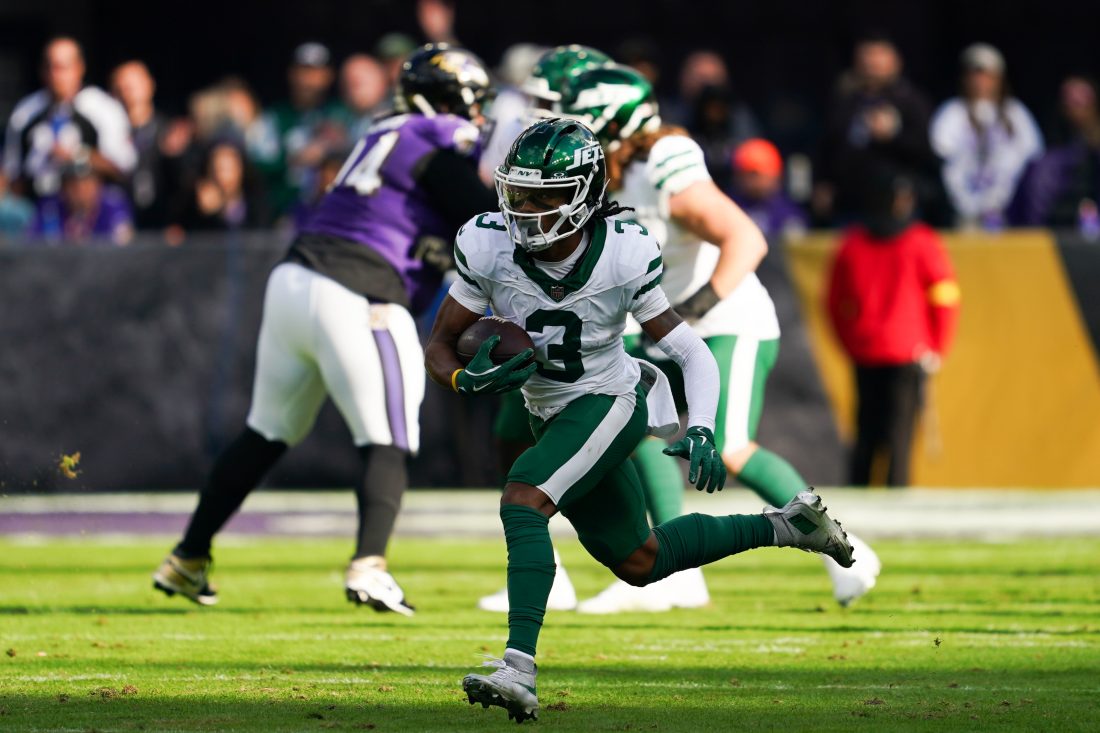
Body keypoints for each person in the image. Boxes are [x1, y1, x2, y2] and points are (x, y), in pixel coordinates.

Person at [424, 118, 855, 722]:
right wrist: (461, 379)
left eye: (545, 197)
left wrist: (701, 424)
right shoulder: (488, 243)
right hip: (550, 411)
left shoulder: (622, 251)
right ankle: (787, 526)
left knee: (524, 498)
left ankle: (517, 667)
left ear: (582, 195)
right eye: (518, 194)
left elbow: (689, 348)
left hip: (609, 400)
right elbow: (441, 343)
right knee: (641, 562)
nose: (526, 211)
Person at [151, 44, 496, 614]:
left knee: (266, 432)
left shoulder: (380, 134)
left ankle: (188, 557)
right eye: (473, 103)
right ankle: (370, 566)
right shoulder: (434, 139)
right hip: (357, 289)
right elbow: (476, 212)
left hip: (294, 278)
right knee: (390, 433)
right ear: (450, 100)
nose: (478, 116)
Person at [561, 65, 881, 609]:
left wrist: (693, 308)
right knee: (641, 432)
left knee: (730, 447)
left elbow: (745, 237)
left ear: (611, 119)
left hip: (726, 320)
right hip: (669, 327)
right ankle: (677, 570)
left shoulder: (663, 161)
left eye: (583, 117)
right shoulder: (612, 171)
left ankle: (845, 549)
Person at [827, 167, 961, 487]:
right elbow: (945, 297)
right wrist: (937, 347)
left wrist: (851, 343)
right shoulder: (921, 242)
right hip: (909, 353)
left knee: (865, 436)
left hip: (866, 351)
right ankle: (895, 506)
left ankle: (855, 506)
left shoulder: (852, 244)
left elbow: (833, 303)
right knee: (898, 438)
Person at [813, 32, 945, 226]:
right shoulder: (845, 101)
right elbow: (827, 145)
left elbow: (927, 152)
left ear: (895, 61)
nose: (871, 63)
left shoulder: (911, 101)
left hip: (896, 206)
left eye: (878, 56)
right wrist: (822, 183)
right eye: (867, 56)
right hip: (849, 205)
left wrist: (892, 136)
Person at [3, 37, 136, 199]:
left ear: (79, 68)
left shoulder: (103, 109)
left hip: (91, 213)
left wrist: (79, 155)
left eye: (62, 67)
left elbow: (124, 168)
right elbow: (10, 172)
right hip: (36, 210)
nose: (54, 75)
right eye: (49, 67)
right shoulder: (26, 112)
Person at [929, 43, 1043, 229]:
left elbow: (1034, 157)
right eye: (974, 75)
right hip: (963, 209)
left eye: (987, 75)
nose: (980, 81)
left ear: (999, 79)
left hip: (1010, 211)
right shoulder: (952, 112)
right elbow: (939, 153)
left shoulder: (1016, 113)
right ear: (965, 78)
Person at [262, 42, 344, 216]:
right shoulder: (276, 116)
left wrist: (333, 148)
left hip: (332, 211)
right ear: (292, 74)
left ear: (328, 75)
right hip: (283, 212)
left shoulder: (341, 113)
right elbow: (260, 164)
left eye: (315, 73)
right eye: (303, 72)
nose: (308, 80)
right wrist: (294, 158)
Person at [1009, 76, 1100, 229]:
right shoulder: (1052, 140)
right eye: (1070, 103)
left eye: (1081, 103)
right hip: (1053, 223)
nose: (1076, 110)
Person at [110, 60, 173, 229]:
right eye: (120, 88)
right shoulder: (108, 136)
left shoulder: (169, 131)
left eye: (132, 86)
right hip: (121, 226)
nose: (126, 93)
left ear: (150, 85)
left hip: (163, 226)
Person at [169, 141, 269, 232]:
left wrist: (222, 212)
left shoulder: (256, 203)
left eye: (228, 169)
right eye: (217, 169)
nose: (222, 177)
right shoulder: (192, 207)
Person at [30, 160, 133, 245]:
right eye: (73, 185)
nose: (80, 191)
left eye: (86, 184)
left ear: (98, 185)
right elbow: (32, 242)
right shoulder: (50, 208)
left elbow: (124, 242)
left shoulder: (113, 204)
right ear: (64, 189)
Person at [729, 138, 808, 240]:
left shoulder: (789, 215)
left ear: (774, 174)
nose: (746, 179)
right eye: (741, 172)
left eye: (753, 174)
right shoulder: (730, 206)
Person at [335, 54, 390, 143]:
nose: (354, 91)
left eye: (360, 83)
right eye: (348, 83)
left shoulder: (396, 119)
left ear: (382, 81)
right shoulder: (339, 121)